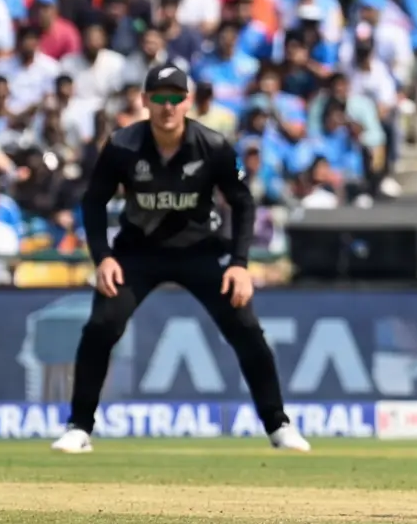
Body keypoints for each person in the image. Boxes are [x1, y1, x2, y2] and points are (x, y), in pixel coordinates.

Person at [51, 66, 308, 454]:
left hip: (200, 250)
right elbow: (93, 202)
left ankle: (278, 425)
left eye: (175, 98)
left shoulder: (213, 145)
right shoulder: (122, 145)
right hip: (137, 252)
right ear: (145, 101)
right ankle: (79, 427)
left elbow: (242, 202)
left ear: (187, 103)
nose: (167, 106)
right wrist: (102, 257)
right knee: (101, 326)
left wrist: (240, 263)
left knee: (246, 329)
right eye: (159, 98)